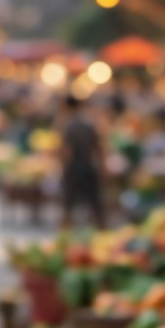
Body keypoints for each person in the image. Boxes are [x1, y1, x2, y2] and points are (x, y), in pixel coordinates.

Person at [59, 95, 107, 229]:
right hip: (89, 167)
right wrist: (103, 168)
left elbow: (67, 150)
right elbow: (99, 148)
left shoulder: (68, 125)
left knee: (68, 204)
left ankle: (65, 232)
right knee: (95, 204)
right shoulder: (88, 124)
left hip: (74, 168)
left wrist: (63, 167)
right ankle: (101, 230)